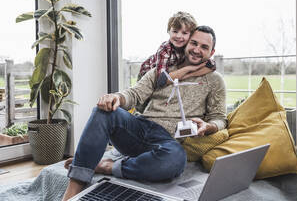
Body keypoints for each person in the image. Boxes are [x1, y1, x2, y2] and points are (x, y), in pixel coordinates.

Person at [62, 26, 227, 201]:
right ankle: (72, 191)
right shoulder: (160, 71)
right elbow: (134, 94)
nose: (197, 49)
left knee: (176, 159)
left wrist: (209, 126)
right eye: (194, 43)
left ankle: (108, 167)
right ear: (186, 43)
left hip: (168, 142)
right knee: (102, 112)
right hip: (139, 128)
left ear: (212, 51)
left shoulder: (215, 81)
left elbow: (219, 117)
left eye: (204, 47)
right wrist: (116, 97)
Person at [137, 11, 216, 87]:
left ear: (191, 35)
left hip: (169, 73)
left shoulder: (189, 48)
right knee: (148, 94)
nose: (178, 36)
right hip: (147, 71)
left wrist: (190, 73)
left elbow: (211, 65)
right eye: (175, 31)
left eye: (184, 33)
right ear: (168, 31)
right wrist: (189, 69)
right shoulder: (165, 50)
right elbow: (161, 79)